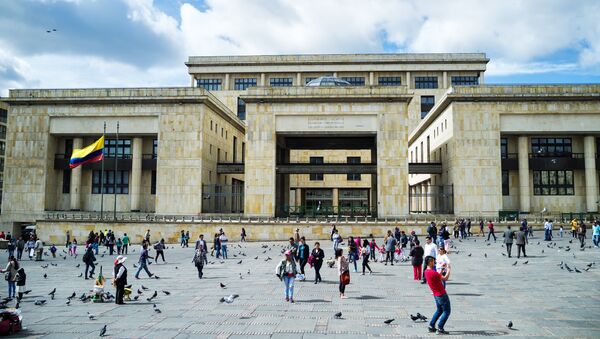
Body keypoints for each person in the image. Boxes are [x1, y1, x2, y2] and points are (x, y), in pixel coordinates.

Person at [424, 256, 451, 335]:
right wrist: (448, 269)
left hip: (436, 294)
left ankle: (431, 326)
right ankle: (440, 328)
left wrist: (441, 270)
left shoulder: (426, 271)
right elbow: (445, 278)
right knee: (447, 311)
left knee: (439, 310)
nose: (434, 262)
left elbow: (436, 277)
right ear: (429, 262)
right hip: (442, 294)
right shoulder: (433, 272)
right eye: (433, 261)